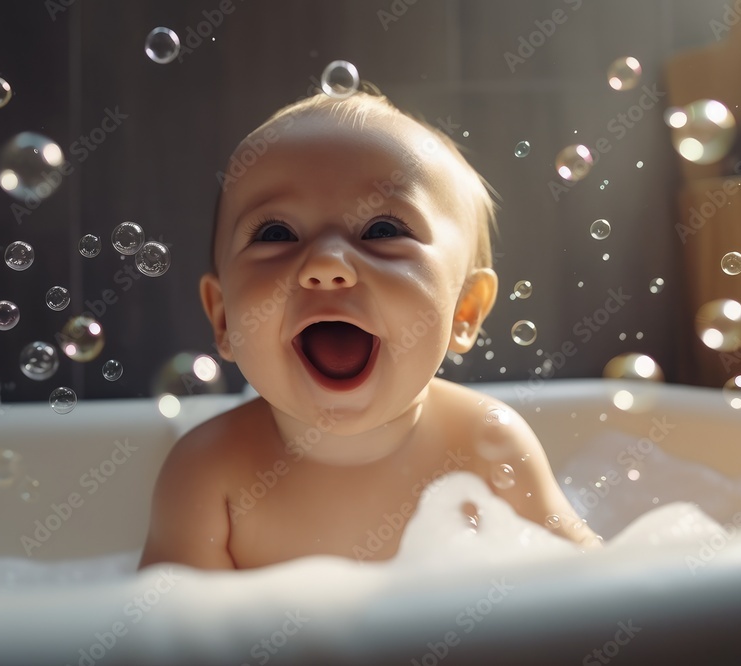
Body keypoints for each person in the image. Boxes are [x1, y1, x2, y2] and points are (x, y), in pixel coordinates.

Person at [139, 88, 602, 570]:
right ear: (224, 318)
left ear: (464, 308)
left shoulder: (487, 445)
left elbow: (596, 596)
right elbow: (165, 637)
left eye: (382, 231)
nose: (325, 263)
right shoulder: (209, 473)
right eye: (276, 234)